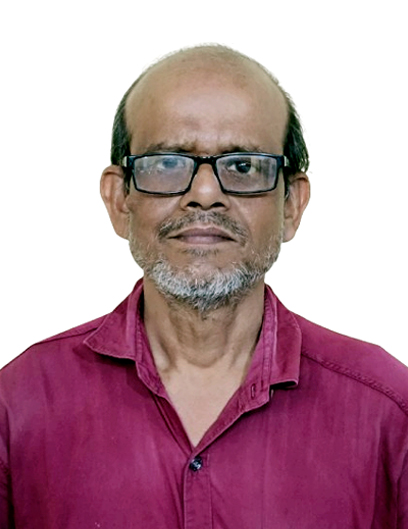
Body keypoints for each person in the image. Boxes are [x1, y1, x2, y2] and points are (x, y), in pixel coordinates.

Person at [1, 44, 407, 528]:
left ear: (291, 205)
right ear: (119, 199)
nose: (205, 193)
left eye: (243, 166)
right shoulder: (18, 404)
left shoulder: (387, 410)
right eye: (168, 163)